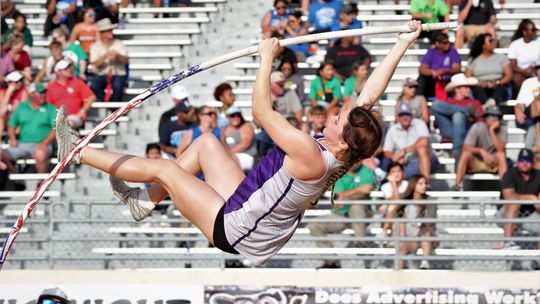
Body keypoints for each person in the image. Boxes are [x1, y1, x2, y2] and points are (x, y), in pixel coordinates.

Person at [53, 21, 421, 265]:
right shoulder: (347, 148)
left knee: (164, 168)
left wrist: (266, 59)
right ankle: (144, 200)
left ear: (343, 143)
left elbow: (260, 112)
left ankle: (75, 151)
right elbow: (369, 97)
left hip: (236, 230)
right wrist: (402, 44)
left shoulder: (312, 154)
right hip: (250, 206)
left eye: (338, 122)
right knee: (207, 144)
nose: (332, 117)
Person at [308, 161, 376, 269]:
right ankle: (332, 261)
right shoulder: (340, 173)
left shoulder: (367, 171)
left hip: (361, 216)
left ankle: (360, 243)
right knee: (314, 226)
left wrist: (346, 195)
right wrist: (358, 190)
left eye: (358, 157)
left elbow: (365, 192)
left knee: (356, 206)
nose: (355, 160)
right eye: (354, 157)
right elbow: (338, 198)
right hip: (341, 215)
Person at [4, 82, 57, 175]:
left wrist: (44, 143)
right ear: (31, 94)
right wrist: (12, 138)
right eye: (40, 93)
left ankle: (41, 183)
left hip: (43, 144)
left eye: (44, 92)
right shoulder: (22, 107)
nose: (43, 95)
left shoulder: (51, 109)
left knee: (40, 152)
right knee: (1, 153)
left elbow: (55, 129)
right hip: (22, 144)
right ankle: (15, 175)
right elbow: (11, 125)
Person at [452, 106, 508, 190]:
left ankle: (505, 189)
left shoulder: (503, 128)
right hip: (477, 160)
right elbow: (466, 146)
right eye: (490, 116)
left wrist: (492, 131)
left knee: (501, 155)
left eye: (496, 117)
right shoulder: (477, 127)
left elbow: (501, 149)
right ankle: (457, 185)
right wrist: (481, 151)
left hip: (493, 160)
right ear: (485, 118)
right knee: (465, 153)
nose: (493, 119)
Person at [431, 73, 484, 158]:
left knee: (458, 115)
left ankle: (457, 150)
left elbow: (480, 120)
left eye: (469, 87)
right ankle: (466, 111)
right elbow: (437, 124)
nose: (469, 89)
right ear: (457, 89)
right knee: (435, 105)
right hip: (449, 130)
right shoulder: (448, 102)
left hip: (467, 131)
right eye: (466, 87)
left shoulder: (474, 102)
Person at [497, 148, 540, 251]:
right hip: (506, 214)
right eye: (522, 160)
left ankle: (537, 259)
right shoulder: (510, 173)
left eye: (528, 160)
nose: (524, 163)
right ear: (517, 162)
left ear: (533, 163)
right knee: (515, 202)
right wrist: (531, 198)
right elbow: (509, 196)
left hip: (529, 215)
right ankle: (508, 242)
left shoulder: (538, 174)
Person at [383, 103, 439, 181]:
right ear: (398, 117)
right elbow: (386, 151)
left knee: (422, 149)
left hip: (429, 160)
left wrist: (405, 151)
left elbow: (424, 141)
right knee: (394, 169)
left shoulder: (419, 123)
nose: (405, 117)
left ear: (412, 116)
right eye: (402, 115)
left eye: (407, 114)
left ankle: (425, 183)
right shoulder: (393, 130)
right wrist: (396, 157)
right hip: (407, 163)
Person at [396, 174, 435, 270]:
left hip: (425, 235)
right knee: (402, 248)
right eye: (420, 184)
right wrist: (403, 239)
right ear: (413, 185)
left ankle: (424, 263)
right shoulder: (404, 199)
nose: (424, 186)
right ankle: (397, 275)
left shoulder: (430, 200)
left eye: (425, 183)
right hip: (410, 236)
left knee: (426, 233)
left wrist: (420, 223)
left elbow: (430, 221)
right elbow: (399, 219)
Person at [46, 59, 96, 128]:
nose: (69, 70)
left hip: (74, 117)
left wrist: (81, 112)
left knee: (69, 123)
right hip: (57, 118)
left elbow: (91, 97)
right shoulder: (51, 86)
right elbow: (48, 105)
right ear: (59, 71)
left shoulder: (77, 82)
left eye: (69, 67)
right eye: (66, 68)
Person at [465, 33, 512, 105]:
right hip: (480, 86)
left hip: (498, 85)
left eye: (494, 40)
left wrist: (497, 83)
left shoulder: (501, 57)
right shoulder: (474, 59)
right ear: (483, 45)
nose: (494, 42)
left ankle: (487, 106)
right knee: (478, 90)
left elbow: (509, 75)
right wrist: (478, 83)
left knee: (501, 89)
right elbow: (468, 77)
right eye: (490, 41)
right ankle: (490, 107)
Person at [89, 18, 128, 102]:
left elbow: (126, 60)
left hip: (118, 74)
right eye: (108, 30)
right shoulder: (95, 46)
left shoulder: (119, 44)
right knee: (94, 85)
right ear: (102, 33)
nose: (111, 32)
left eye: (111, 30)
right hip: (102, 74)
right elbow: (95, 64)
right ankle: (109, 105)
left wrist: (117, 55)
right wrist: (105, 56)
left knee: (118, 85)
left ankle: (113, 108)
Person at [417, 32, 461, 100]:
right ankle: (419, 101)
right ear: (437, 43)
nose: (447, 44)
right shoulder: (431, 52)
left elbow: (457, 68)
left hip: (448, 82)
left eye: (448, 42)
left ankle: (457, 101)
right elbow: (422, 69)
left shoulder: (453, 51)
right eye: (444, 43)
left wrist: (444, 71)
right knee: (421, 79)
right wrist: (433, 72)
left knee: (458, 78)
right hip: (433, 82)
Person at [508, 19, 539, 97]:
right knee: (517, 79)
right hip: (520, 72)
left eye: (535, 29)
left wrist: (533, 69)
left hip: (537, 70)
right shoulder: (515, 44)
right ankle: (520, 102)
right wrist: (524, 71)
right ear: (524, 32)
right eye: (533, 30)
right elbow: (513, 65)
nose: (535, 32)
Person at [378, 162, 408, 241]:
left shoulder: (407, 185)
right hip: (390, 214)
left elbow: (397, 201)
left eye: (399, 171)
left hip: (404, 212)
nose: (397, 174)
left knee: (392, 207)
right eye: (393, 172)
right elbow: (395, 201)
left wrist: (393, 184)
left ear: (403, 173)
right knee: (391, 209)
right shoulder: (385, 186)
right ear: (389, 175)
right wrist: (393, 183)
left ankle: (384, 231)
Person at [221, 107, 256, 172]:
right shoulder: (224, 129)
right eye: (233, 115)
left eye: (238, 115)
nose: (236, 117)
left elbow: (245, 145)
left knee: (228, 161)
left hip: (246, 156)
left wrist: (227, 154)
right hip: (230, 156)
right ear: (227, 117)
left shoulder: (246, 126)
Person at [0, 71, 28, 139]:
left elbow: (23, 111)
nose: (19, 83)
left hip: (17, 120)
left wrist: (10, 108)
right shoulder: (2, 92)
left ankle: (15, 139)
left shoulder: (23, 91)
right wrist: (8, 92)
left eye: (21, 81)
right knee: (0, 119)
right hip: (6, 119)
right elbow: (2, 111)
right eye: (17, 81)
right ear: (10, 82)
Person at [515, 60, 540, 130]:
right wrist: (518, 110)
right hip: (530, 111)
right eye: (538, 68)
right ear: (536, 70)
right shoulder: (528, 82)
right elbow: (520, 103)